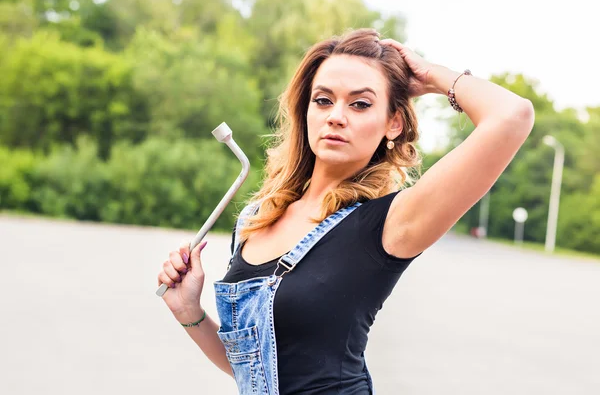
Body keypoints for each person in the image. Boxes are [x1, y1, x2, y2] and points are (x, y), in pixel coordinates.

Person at [157, 28, 534, 394]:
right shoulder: (256, 218)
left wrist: (433, 77)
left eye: (360, 103)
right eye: (323, 100)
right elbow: (255, 367)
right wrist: (190, 311)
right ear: (306, 112)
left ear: (394, 123)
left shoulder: (390, 223)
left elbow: (512, 116)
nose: (336, 115)